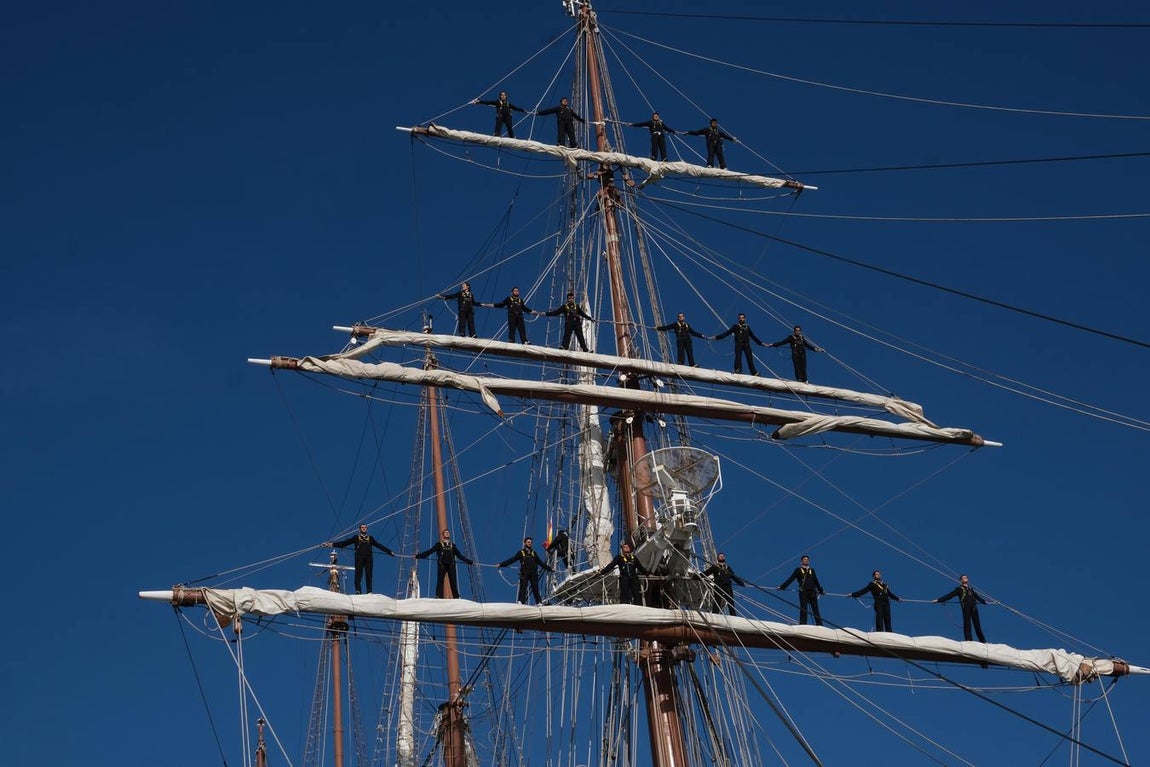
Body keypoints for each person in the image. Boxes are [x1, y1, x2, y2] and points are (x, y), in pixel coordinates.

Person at [328, 523, 395, 594]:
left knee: (368, 575)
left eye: (365, 527)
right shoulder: (356, 537)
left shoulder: (370, 538)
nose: (364, 528)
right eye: (362, 527)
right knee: (358, 574)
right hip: (359, 558)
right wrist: (332, 544)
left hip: (368, 558)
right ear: (359, 529)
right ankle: (358, 590)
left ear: (367, 529)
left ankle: (369, 591)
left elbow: (379, 546)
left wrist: (389, 552)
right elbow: (345, 543)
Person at [415, 529, 475, 599]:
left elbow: (460, 556)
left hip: (451, 565)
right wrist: (417, 556)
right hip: (442, 565)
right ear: (443, 535)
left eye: (448, 533)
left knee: (453, 582)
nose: (447, 533)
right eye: (445, 533)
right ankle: (438, 596)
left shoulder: (453, 546)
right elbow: (429, 552)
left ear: (449, 535)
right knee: (440, 581)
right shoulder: (439, 545)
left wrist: (470, 562)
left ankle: (456, 596)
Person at [497, 537, 553, 604]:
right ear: (525, 543)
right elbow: (512, 559)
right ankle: (521, 601)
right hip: (525, 572)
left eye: (531, 542)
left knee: (535, 588)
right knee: (523, 587)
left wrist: (550, 569)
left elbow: (540, 563)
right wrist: (501, 564)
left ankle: (539, 602)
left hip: (533, 573)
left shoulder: (533, 553)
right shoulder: (521, 552)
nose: (530, 543)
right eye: (528, 542)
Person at [935, 574, 989, 642]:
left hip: (974, 608)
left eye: (966, 577)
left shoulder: (971, 589)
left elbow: (977, 597)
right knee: (967, 624)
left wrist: (984, 601)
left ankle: (983, 641)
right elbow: (950, 595)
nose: (966, 578)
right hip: (966, 607)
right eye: (964, 577)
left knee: (977, 625)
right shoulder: (959, 589)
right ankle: (969, 640)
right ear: (961, 580)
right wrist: (939, 600)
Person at [778, 554, 826, 626]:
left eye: (807, 559)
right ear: (801, 562)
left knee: (815, 609)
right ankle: (803, 624)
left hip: (813, 591)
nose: (806, 560)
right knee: (804, 608)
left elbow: (816, 581)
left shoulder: (812, 570)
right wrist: (782, 587)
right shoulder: (798, 570)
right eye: (804, 559)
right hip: (803, 591)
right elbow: (791, 579)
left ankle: (820, 625)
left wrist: (821, 590)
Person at [599, 541, 648, 605]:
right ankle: (624, 605)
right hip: (624, 577)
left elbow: (640, 567)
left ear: (630, 549)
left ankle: (639, 606)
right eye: (624, 547)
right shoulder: (619, 557)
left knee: (636, 593)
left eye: (627, 547)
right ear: (622, 549)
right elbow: (611, 565)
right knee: (624, 594)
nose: (626, 548)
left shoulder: (634, 558)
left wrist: (647, 574)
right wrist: (602, 572)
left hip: (634, 577)